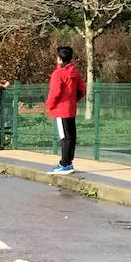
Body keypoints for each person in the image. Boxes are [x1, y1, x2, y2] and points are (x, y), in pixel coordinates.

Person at [45, 45, 86, 175]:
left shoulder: (57, 74)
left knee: (64, 137)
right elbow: (82, 90)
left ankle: (64, 164)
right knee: (71, 137)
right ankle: (68, 162)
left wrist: (49, 106)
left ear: (59, 58)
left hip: (60, 109)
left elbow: (55, 93)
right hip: (71, 108)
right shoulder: (74, 72)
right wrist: (73, 100)